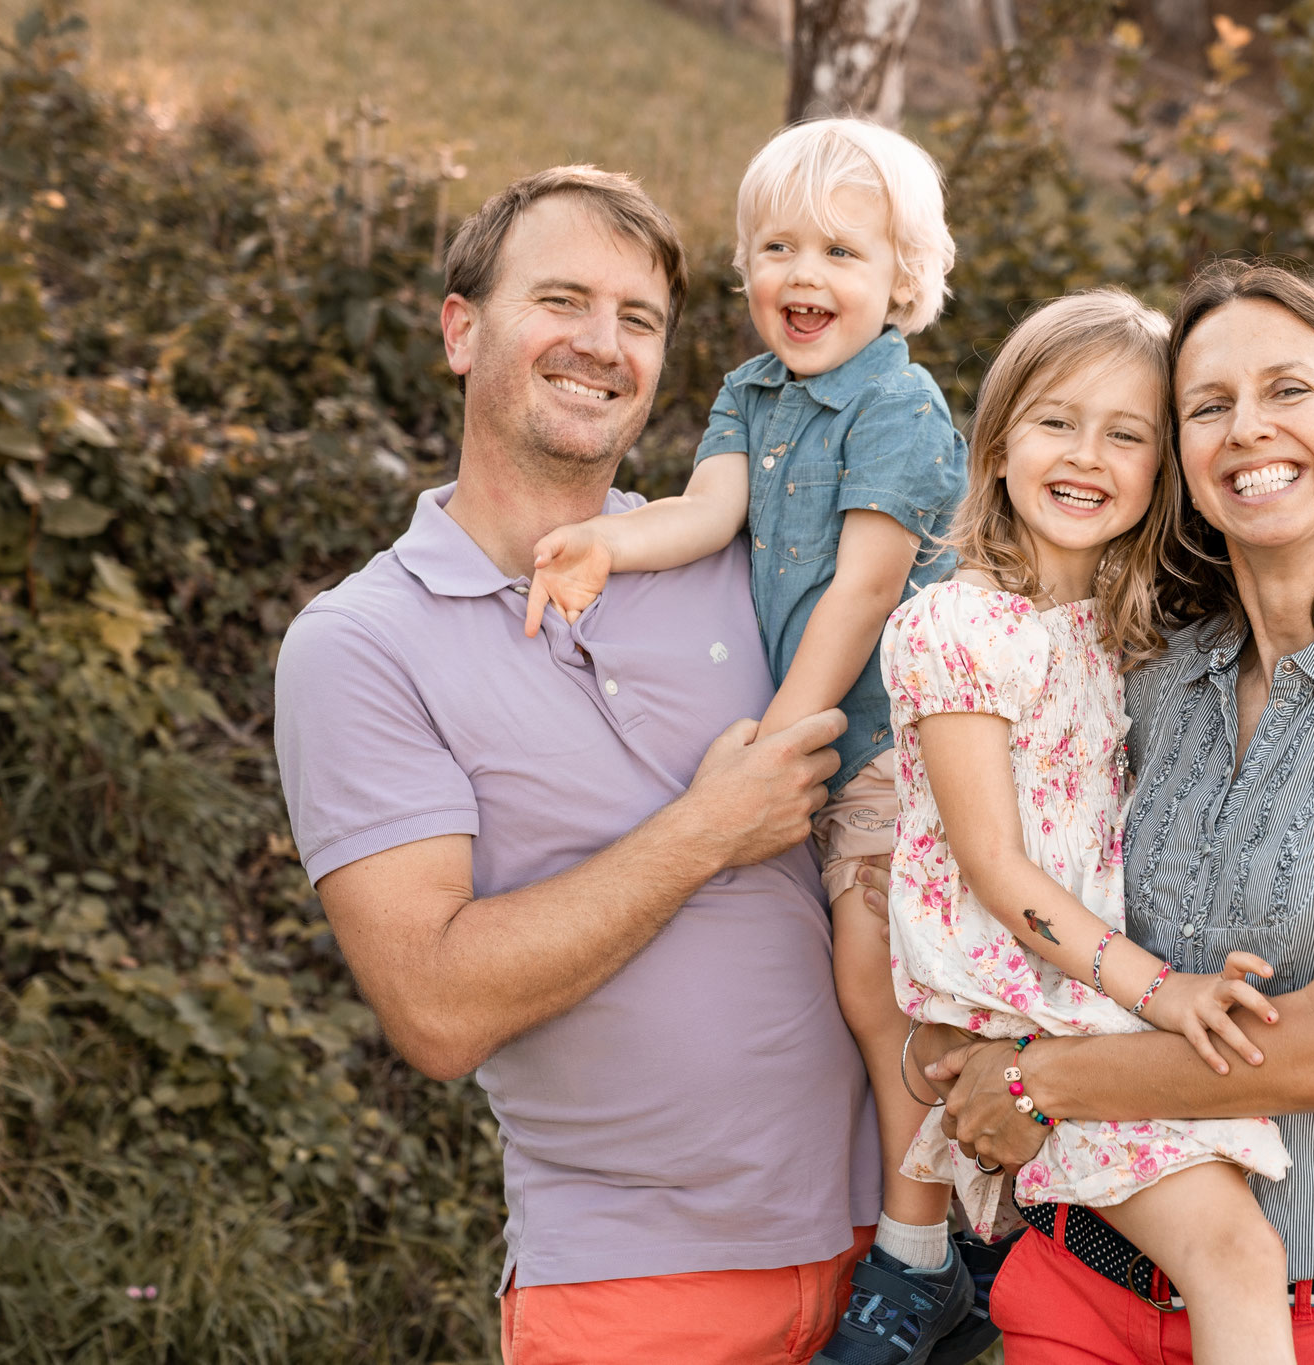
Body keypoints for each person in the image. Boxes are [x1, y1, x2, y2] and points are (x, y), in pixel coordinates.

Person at [273, 165, 880, 1365]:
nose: (602, 346)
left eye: (639, 320)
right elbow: (436, 1009)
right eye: (562, 301)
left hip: (894, 1262)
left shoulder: (739, 558)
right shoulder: (358, 646)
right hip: (635, 1289)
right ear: (461, 329)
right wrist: (711, 827)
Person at [920, 260, 1314, 1365]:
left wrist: (1033, 1078)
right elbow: (985, 868)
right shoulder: (1141, 673)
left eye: (1287, 391)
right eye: (1207, 406)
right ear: (1185, 463)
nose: (1245, 429)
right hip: (1075, 1292)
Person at [522, 120, 978, 1362]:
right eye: (775, 246)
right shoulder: (750, 391)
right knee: (855, 982)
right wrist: (608, 542)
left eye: (839, 248)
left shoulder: (899, 404)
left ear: (902, 275)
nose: (801, 274)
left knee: (868, 974)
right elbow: (709, 506)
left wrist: (785, 737)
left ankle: (919, 1254)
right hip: (826, 744)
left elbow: (864, 590)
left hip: (900, 740)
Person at [880, 289, 1297, 1365]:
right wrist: (1162, 991)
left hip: (1080, 1004)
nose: (1085, 455)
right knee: (1235, 1258)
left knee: (1215, 1262)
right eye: (1056, 421)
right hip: (1034, 1015)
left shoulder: (1107, 638)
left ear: (1160, 473)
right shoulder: (957, 628)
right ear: (1000, 438)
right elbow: (994, 865)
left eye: (1126, 435)